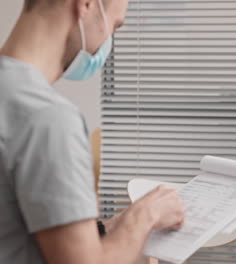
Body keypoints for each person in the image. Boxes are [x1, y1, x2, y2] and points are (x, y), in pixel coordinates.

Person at [0, 0, 185, 263]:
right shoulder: (46, 118)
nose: (108, 41)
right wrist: (145, 215)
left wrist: (110, 227)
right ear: (85, 5)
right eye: (114, 25)